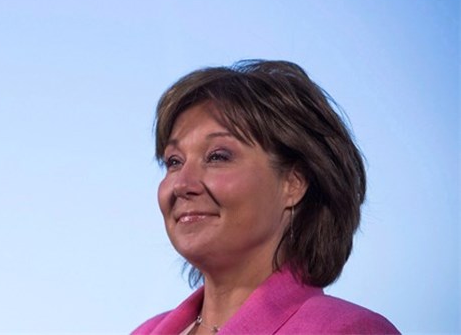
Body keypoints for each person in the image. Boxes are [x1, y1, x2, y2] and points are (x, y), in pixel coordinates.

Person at [133, 60, 399, 335]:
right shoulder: (145, 331)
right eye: (174, 161)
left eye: (217, 156)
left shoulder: (348, 330)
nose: (182, 184)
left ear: (293, 183)